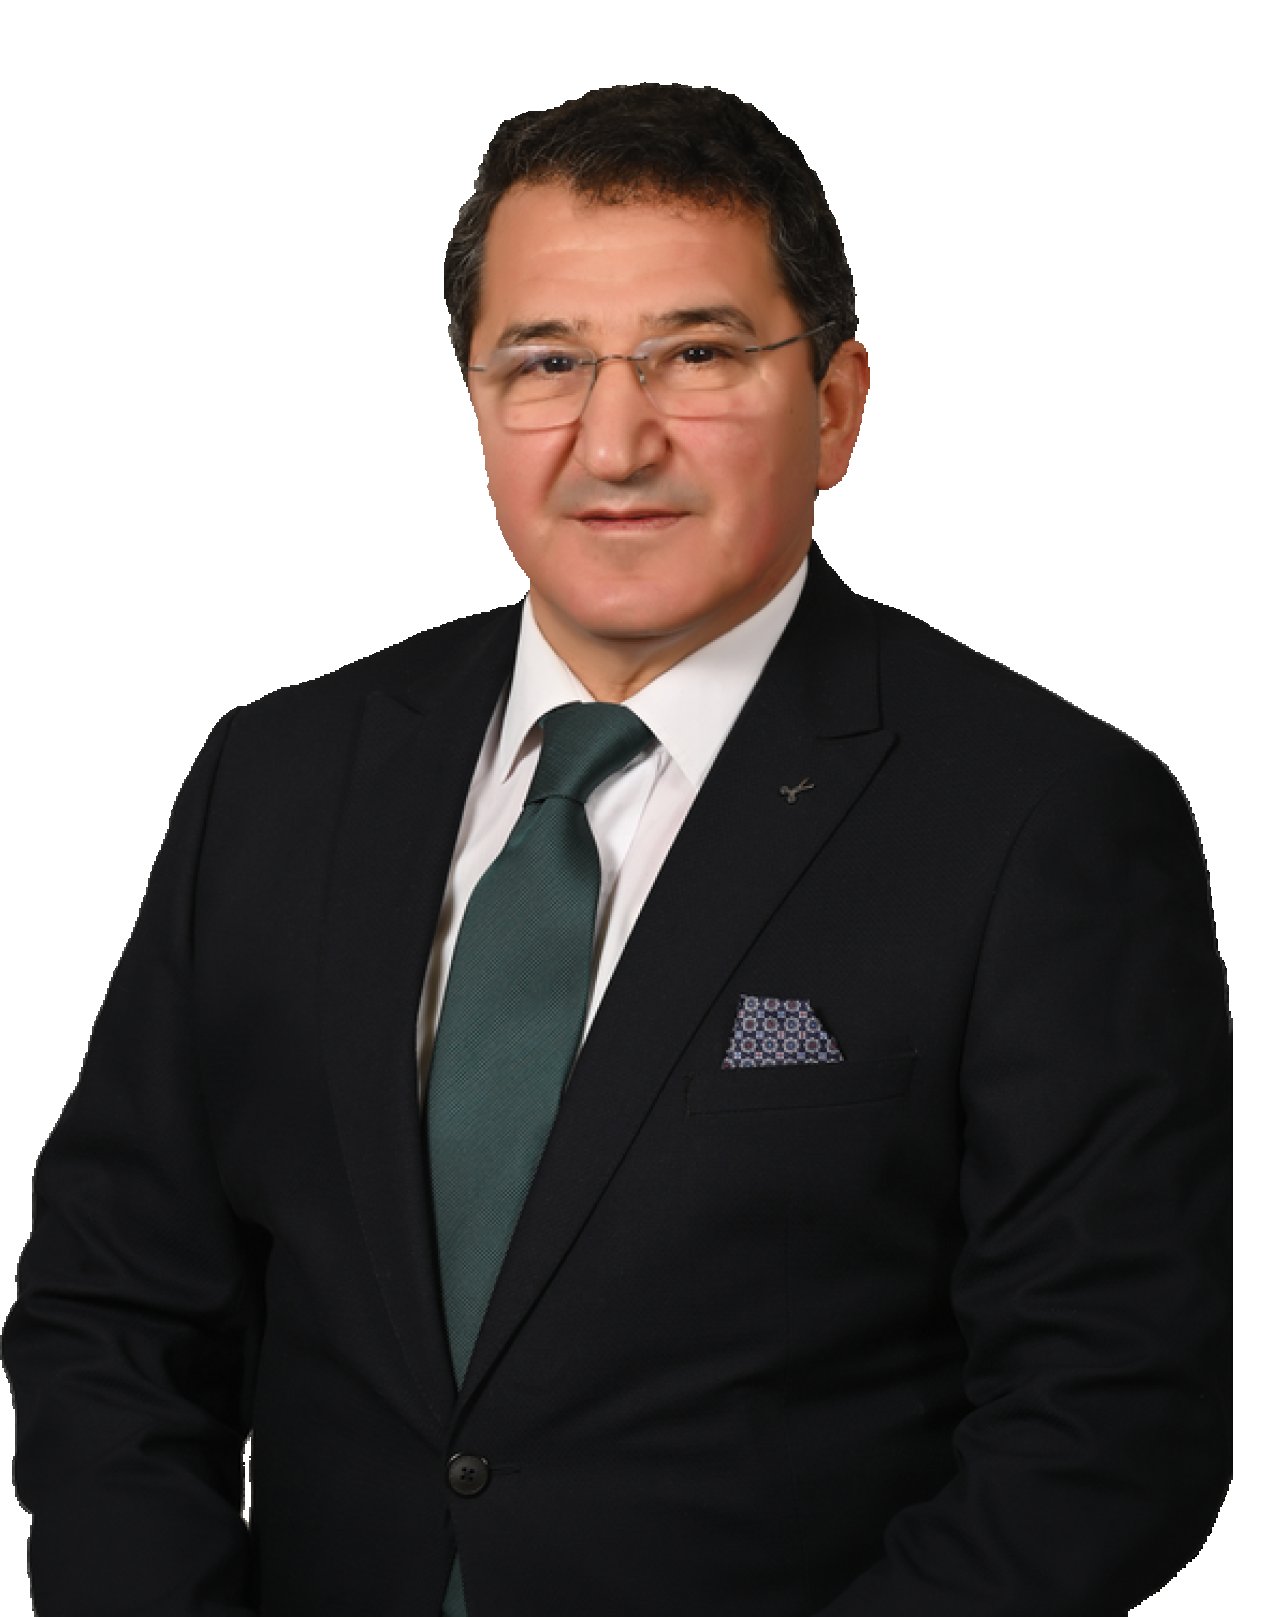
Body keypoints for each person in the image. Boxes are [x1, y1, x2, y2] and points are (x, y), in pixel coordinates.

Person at [2, 83, 1229, 1617]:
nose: (616, 437)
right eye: (547, 361)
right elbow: (114, 1307)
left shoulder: (1043, 815)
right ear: (476, 398)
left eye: (696, 354)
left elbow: (1110, 1416)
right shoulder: (282, 776)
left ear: (836, 403)